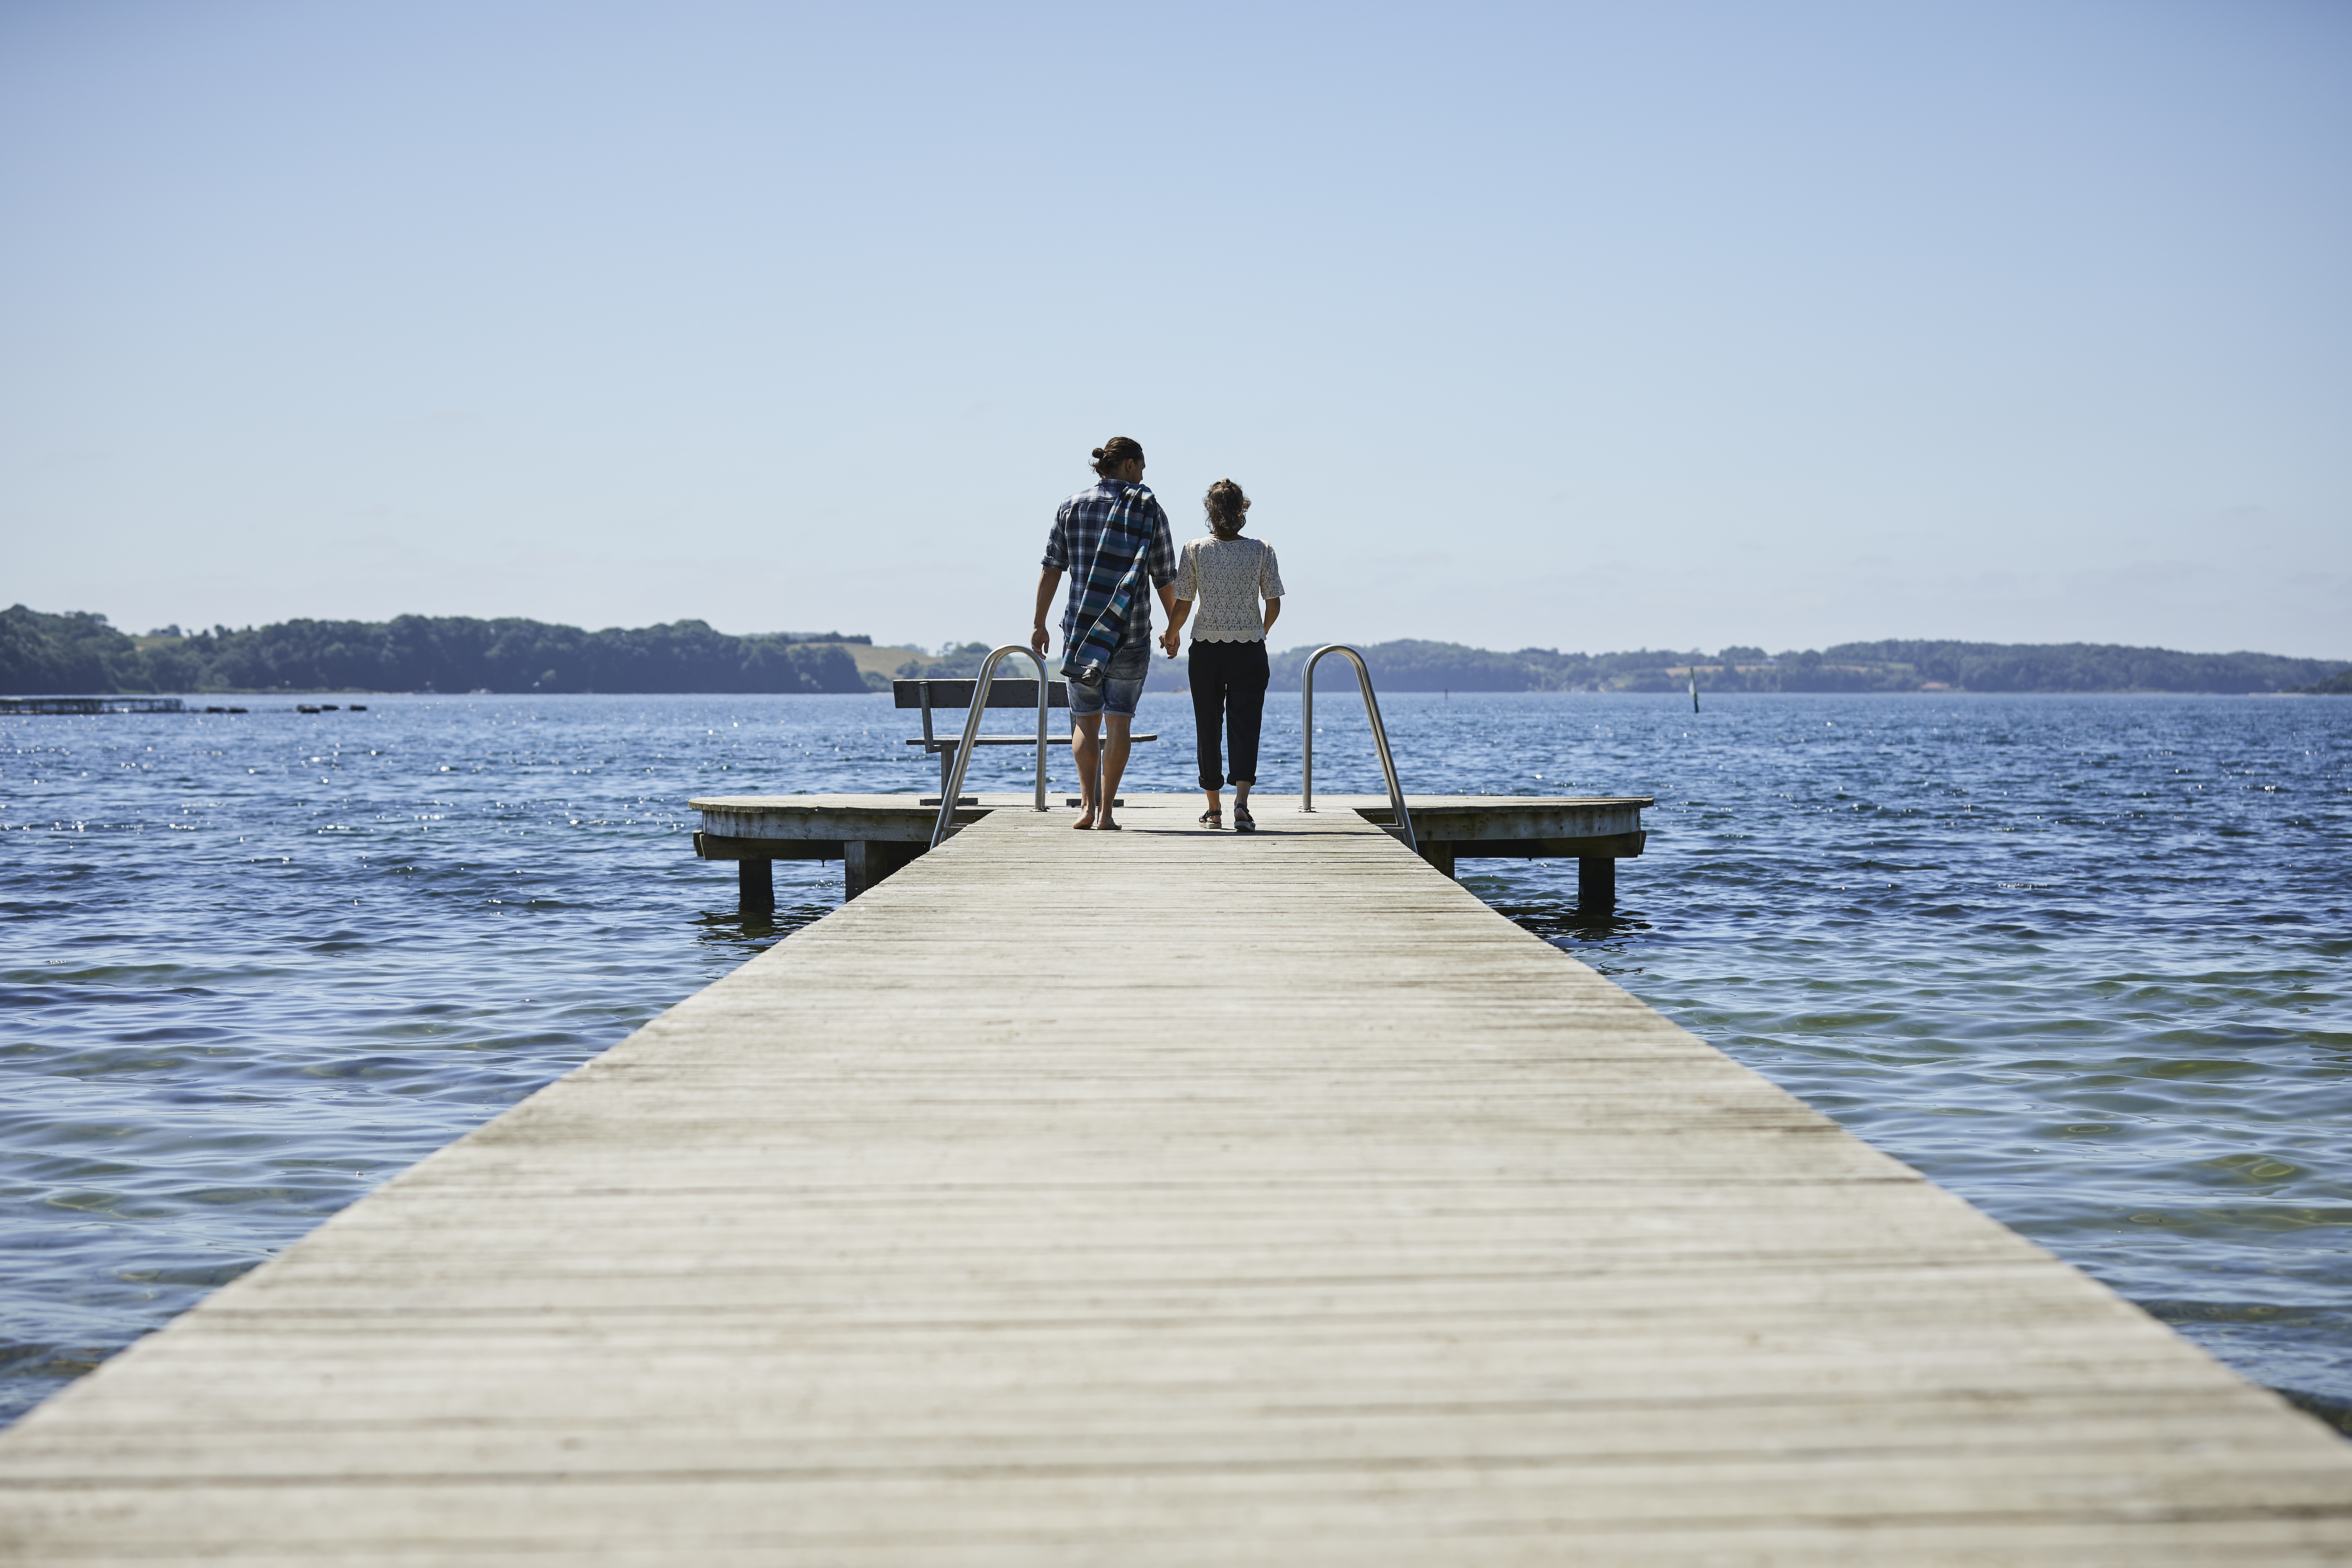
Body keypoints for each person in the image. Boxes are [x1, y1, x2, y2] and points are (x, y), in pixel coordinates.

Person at [1031, 436, 1178, 830]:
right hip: (1130, 632)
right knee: (1119, 723)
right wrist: (1173, 628)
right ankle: (1106, 813)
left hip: (1081, 634)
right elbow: (1165, 576)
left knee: (1085, 721)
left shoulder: (1071, 506)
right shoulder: (1148, 508)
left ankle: (1085, 806)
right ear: (1129, 464)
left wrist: (1039, 622)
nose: (1143, 477)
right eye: (1141, 467)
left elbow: (1051, 568)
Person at [1161, 478, 1283, 832]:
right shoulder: (1262, 550)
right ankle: (1241, 806)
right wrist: (1258, 631)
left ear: (1210, 512)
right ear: (1242, 510)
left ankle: (1214, 810)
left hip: (1206, 650)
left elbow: (1184, 604)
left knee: (1208, 725)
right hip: (1250, 651)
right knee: (1247, 726)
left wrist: (1171, 635)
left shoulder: (1195, 549)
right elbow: (1273, 604)